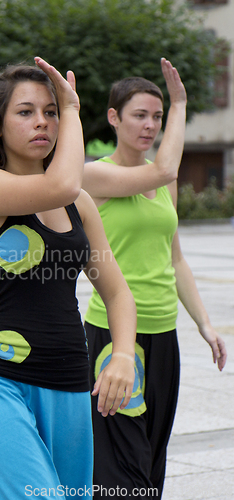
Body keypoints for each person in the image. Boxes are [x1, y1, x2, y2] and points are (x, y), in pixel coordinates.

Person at [0, 57, 137, 500]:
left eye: (51, 112)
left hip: (70, 386)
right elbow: (59, 184)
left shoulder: (80, 205)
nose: (42, 122)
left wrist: (123, 356)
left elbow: (116, 292)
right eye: (25, 112)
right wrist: (73, 107)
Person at [82, 58, 228, 499]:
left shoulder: (166, 185)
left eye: (158, 116)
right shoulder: (96, 175)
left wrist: (204, 323)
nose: (150, 126)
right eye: (139, 115)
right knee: (121, 468)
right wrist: (181, 101)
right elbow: (163, 167)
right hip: (114, 335)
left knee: (151, 459)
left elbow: (176, 259)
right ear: (113, 118)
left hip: (164, 335)